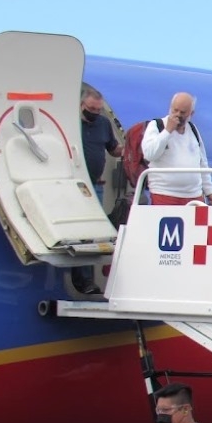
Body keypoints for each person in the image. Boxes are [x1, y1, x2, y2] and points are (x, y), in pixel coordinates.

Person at [74, 84, 123, 294]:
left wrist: (129, 149)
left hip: (95, 186)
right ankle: (83, 280)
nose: (94, 113)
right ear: (81, 105)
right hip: (75, 186)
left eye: (98, 110)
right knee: (79, 233)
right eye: (91, 109)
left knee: (94, 234)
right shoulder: (70, 124)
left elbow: (113, 149)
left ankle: (90, 281)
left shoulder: (103, 123)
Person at [141, 93, 212, 206]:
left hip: (194, 195)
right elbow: (149, 154)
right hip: (164, 193)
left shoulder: (193, 130)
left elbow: (202, 162)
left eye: (182, 112)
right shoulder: (156, 126)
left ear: (191, 114)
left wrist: (209, 191)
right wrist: (167, 131)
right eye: (175, 110)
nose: (177, 115)